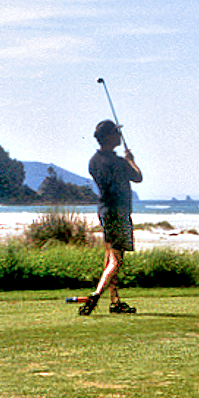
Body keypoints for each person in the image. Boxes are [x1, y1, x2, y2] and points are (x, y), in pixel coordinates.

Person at [79, 119, 143, 315]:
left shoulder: (94, 161)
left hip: (105, 212)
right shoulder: (119, 162)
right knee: (116, 261)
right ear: (108, 137)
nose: (119, 136)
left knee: (110, 257)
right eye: (116, 133)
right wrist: (131, 159)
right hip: (120, 213)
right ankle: (96, 295)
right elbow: (138, 177)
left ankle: (115, 301)